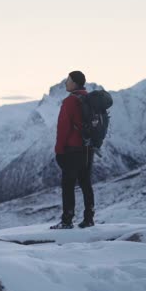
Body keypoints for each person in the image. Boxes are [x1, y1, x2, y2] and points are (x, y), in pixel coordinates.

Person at [50, 70, 95, 229]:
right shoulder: (88, 98)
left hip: (72, 150)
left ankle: (67, 220)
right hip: (88, 148)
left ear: (75, 83)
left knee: (68, 185)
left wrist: (59, 150)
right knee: (86, 184)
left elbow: (63, 128)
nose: (65, 83)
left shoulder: (70, 101)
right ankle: (89, 219)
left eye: (68, 80)